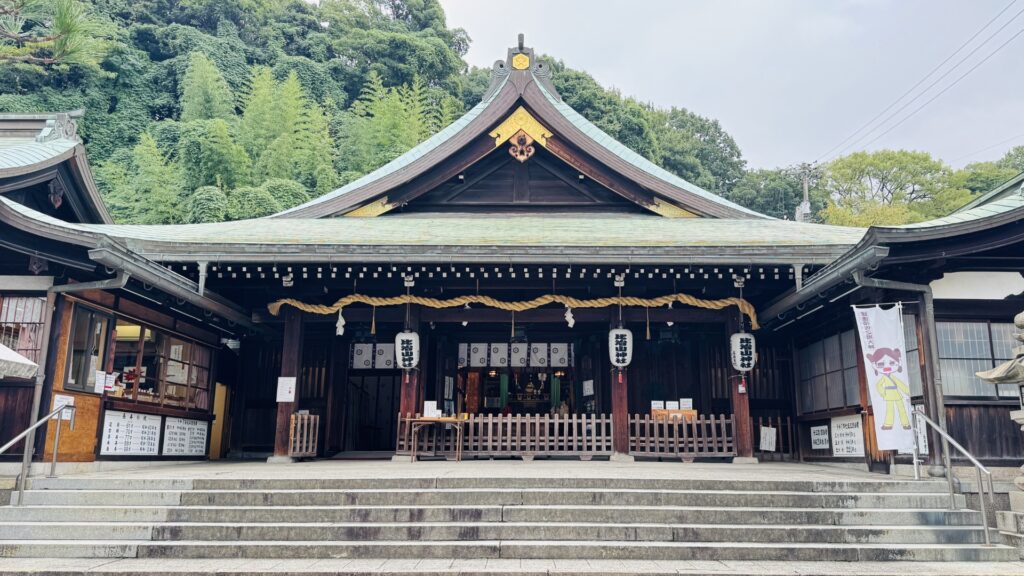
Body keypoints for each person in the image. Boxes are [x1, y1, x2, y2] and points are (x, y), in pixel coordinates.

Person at [866, 347, 911, 430]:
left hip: (896, 393)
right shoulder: (883, 377)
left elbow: (900, 383)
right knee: (889, 410)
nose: (887, 366)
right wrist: (883, 393)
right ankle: (888, 424)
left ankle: (905, 424)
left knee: (901, 408)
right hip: (889, 394)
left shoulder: (893, 376)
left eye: (892, 362)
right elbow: (878, 385)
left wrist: (907, 391)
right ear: (875, 366)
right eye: (881, 364)